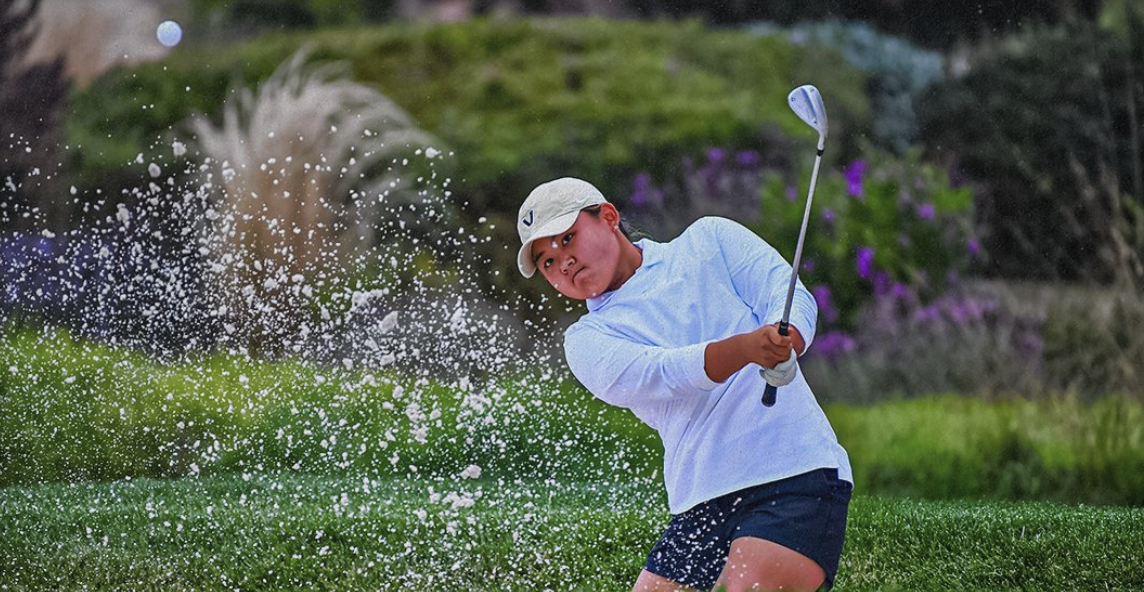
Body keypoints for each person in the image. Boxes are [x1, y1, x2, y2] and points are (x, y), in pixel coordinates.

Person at [516, 177, 853, 592]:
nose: (562, 262)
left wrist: (788, 342)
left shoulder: (709, 241)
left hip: (793, 473)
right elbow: (665, 374)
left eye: (567, 238)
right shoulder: (587, 340)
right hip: (700, 502)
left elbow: (788, 296)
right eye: (547, 261)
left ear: (608, 217)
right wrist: (745, 348)